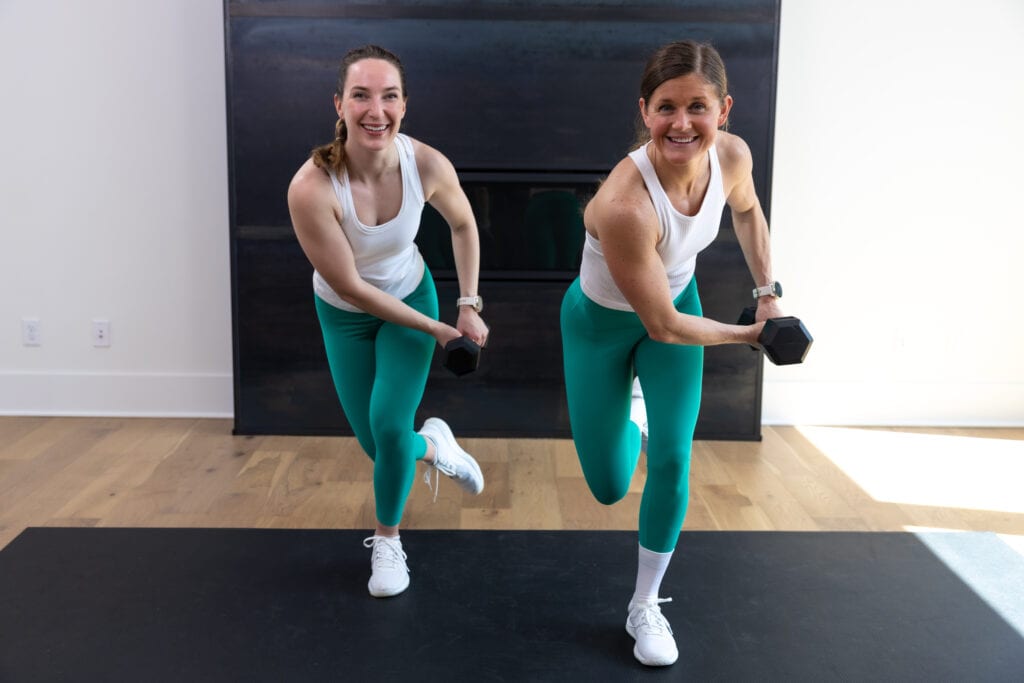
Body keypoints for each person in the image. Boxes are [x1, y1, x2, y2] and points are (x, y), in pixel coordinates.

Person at [560, 40, 782, 666]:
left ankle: (645, 604)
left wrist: (767, 295)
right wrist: (749, 337)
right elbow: (661, 325)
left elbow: (747, 214)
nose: (682, 123)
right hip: (606, 324)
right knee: (607, 486)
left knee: (675, 462)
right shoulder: (626, 203)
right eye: (666, 108)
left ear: (724, 109)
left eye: (698, 107)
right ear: (645, 110)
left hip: (675, 305)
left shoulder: (732, 157)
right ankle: (632, 414)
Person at [287, 45, 489, 598]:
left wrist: (467, 304)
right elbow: (351, 286)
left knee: (387, 428)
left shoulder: (425, 164)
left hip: (410, 299)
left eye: (389, 96)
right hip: (345, 313)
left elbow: (466, 226)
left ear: (404, 105)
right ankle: (436, 445)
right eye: (361, 95)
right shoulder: (311, 188)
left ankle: (389, 541)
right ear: (339, 104)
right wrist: (439, 331)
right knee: (383, 445)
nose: (376, 110)